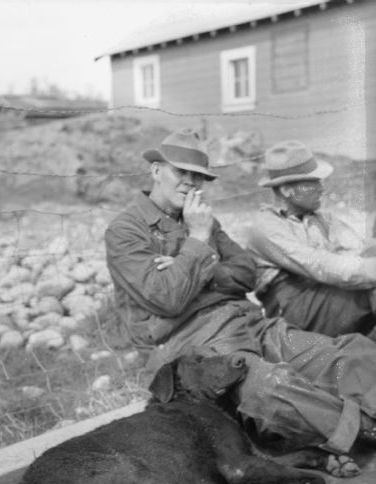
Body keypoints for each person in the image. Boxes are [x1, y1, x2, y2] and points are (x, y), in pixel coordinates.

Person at [104, 128, 376, 456]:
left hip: (248, 325)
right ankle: (363, 429)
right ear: (156, 171)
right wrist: (200, 239)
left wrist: (196, 266)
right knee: (270, 389)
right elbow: (167, 298)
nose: (190, 182)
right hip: (195, 348)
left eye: (198, 176)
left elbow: (246, 273)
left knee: (349, 353)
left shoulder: (201, 218)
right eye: (181, 172)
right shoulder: (126, 230)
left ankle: (349, 412)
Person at [246, 140, 376, 339]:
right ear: (287, 190)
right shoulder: (266, 227)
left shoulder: (322, 218)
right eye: (312, 182)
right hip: (294, 312)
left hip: (327, 294)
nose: (321, 189)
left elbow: (357, 250)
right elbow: (318, 264)